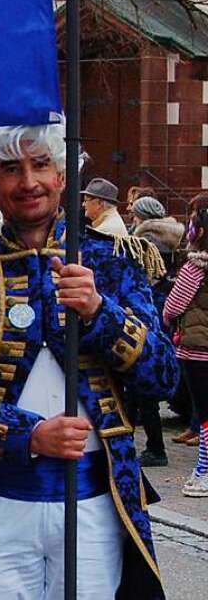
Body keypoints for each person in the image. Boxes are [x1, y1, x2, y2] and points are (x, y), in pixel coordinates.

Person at [0, 122, 178, 600]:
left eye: (40, 166)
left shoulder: (116, 260)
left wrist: (101, 313)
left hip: (96, 507)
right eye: (11, 170)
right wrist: (28, 435)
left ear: (62, 176)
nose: (28, 182)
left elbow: (162, 378)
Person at [129, 196, 185, 467]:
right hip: (160, 321)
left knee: (141, 393)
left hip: (151, 319)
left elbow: (150, 276)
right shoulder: (171, 236)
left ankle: (154, 448)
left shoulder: (148, 240)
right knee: (143, 392)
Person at [163, 201, 208, 497]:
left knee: (205, 413)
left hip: (198, 350)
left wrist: (168, 319)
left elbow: (173, 305)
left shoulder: (196, 267)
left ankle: (204, 471)